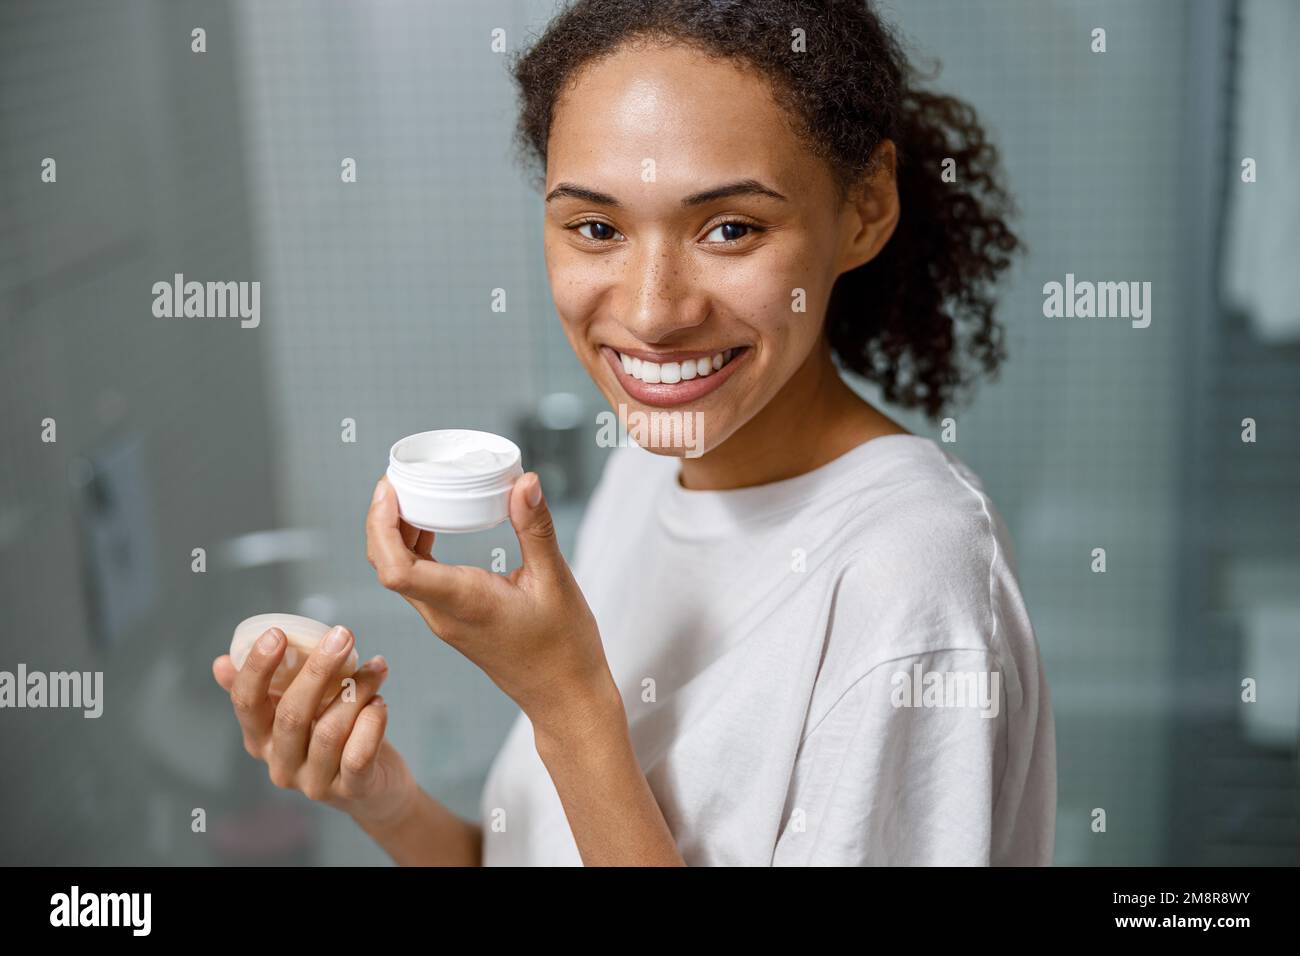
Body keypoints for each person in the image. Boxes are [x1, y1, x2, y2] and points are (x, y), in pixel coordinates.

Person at [212, 0, 1056, 866]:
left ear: (867, 208)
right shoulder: (654, 470)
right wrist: (384, 800)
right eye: (597, 228)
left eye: (731, 228)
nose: (653, 314)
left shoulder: (913, 583)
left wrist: (569, 703)